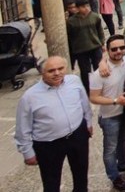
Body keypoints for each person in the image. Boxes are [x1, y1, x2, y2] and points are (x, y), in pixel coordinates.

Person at [15, 56, 93, 192]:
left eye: (60, 68)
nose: (57, 73)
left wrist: (88, 123)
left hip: (77, 135)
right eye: (51, 70)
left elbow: (84, 103)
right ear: (42, 73)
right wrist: (28, 153)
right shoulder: (29, 97)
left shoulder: (74, 81)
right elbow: (23, 127)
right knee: (51, 182)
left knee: (81, 174)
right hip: (48, 144)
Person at [89, 35, 125, 191]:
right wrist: (117, 101)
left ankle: (123, 163)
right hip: (110, 115)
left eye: (121, 48)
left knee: (124, 140)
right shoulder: (99, 73)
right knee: (110, 149)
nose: (118, 51)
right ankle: (114, 176)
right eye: (114, 49)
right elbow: (94, 98)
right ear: (107, 50)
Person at [67, 0, 105, 93]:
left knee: (99, 68)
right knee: (85, 71)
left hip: (95, 46)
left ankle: (101, 88)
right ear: (78, 8)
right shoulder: (71, 21)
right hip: (80, 49)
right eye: (83, 6)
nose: (86, 8)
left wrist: (102, 43)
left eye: (87, 6)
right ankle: (88, 90)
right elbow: (69, 36)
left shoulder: (95, 17)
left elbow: (100, 31)